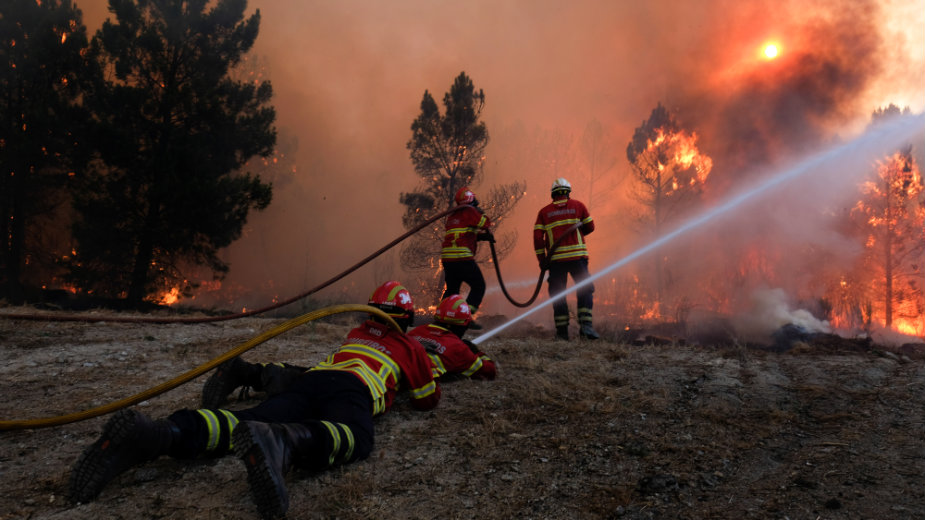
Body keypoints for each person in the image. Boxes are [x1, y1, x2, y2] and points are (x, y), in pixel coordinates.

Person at [68, 281, 439, 520]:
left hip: (311, 381)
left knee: (247, 419)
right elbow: (426, 399)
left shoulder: (355, 332)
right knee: (355, 435)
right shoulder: (409, 346)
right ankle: (285, 442)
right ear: (406, 319)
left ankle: (161, 433)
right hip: (353, 389)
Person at [200, 294, 496, 411]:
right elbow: (488, 372)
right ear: (463, 325)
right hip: (387, 377)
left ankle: (248, 372)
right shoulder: (459, 348)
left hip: (365, 361)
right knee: (327, 396)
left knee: (314, 378)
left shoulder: (416, 332)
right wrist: (476, 352)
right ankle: (251, 377)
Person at [533, 177, 600, 341]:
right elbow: (590, 227)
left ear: (553, 194)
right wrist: (577, 232)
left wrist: (542, 260)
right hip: (577, 258)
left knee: (558, 294)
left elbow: (538, 239)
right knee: (585, 288)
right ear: (568, 192)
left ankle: (562, 333)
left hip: (556, 261)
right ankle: (586, 326)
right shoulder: (578, 206)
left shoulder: (544, 212)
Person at [441, 186, 493, 330]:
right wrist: (480, 213)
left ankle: (442, 316)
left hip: (448, 260)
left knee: (452, 290)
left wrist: (481, 237)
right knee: (479, 286)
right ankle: (465, 317)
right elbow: (485, 223)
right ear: (471, 199)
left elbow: (462, 235)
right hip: (462, 258)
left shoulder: (452, 216)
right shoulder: (470, 211)